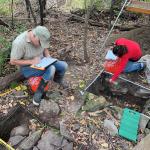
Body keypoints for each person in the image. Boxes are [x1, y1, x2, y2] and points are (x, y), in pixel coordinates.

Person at [10, 26, 68, 106]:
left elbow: (44, 48)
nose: (41, 45)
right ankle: (38, 94)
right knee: (51, 69)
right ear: (34, 36)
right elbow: (13, 61)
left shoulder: (40, 36)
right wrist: (31, 61)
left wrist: (48, 57)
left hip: (42, 62)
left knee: (63, 66)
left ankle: (57, 82)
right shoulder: (19, 43)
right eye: (40, 43)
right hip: (27, 68)